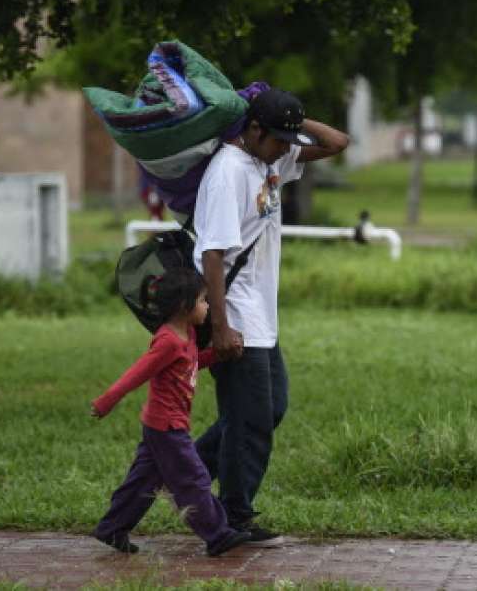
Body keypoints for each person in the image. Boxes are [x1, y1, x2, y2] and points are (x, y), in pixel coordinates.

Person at [192, 88, 349, 544]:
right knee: (252, 418)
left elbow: (337, 143)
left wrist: (294, 120)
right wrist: (220, 325)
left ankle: (187, 470)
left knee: (267, 408)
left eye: (289, 139)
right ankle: (233, 516)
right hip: (236, 313)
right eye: (278, 137)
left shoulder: (270, 160)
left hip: (262, 314)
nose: (287, 147)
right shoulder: (228, 173)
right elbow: (213, 255)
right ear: (253, 130)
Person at [89, 268, 251, 557]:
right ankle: (217, 534)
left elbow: (190, 364)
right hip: (167, 428)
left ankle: (112, 528)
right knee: (193, 478)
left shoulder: (186, 334)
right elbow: (136, 374)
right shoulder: (167, 341)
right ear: (184, 305)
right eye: (203, 300)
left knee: (143, 481)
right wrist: (106, 401)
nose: (207, 306)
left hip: (159, 425)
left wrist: (218, 354)